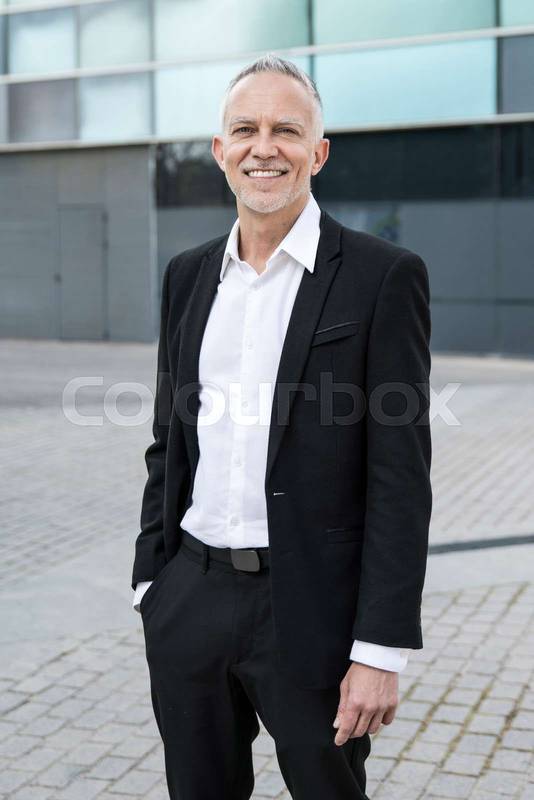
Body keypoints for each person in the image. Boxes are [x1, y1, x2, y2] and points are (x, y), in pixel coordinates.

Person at [131, 53, 432, 800]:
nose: (264, 146)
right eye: (246, 129)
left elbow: (400, 476)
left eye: (286, 130)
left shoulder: (381, 276)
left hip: (314, 613)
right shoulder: (187, 275)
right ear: (220, 150)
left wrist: (381, 648)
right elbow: (171, 438)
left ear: (317, 153)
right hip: (190, 597)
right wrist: (151, 580)